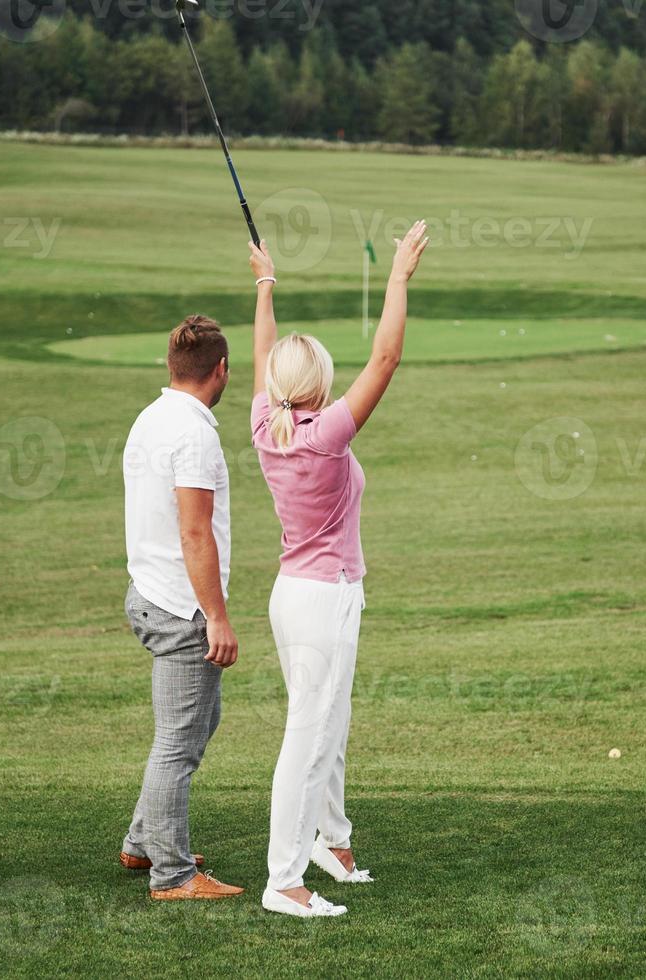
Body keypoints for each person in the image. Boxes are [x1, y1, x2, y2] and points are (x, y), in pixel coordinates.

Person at [247, 220, 431, 917]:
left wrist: (266, 285)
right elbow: (383, 360)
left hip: (296, 596)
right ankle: (283, 881)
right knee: (309, 733)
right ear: (319, 385)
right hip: (321, 602)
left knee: (332, 720)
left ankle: (332, 840)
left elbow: (266, 356)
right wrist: (398, 275)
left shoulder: (268, 423)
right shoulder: (323, 434)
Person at [118, 316, 244, 901]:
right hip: (180, 607)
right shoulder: (194, 434)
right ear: (220, 370)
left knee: (194, 724)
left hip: (148, 593)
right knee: (178, 741)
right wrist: (215, 617)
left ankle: (146, 840)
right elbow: (196, 534)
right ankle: (172, 874)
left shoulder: (151, 417)